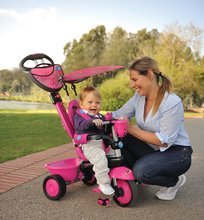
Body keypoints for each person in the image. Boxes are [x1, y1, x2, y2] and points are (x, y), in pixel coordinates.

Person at [112, 56, 193, 200]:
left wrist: (130, 128)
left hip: (178, 153)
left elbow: (163, 141)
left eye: (135, 79)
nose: (132, 84)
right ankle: (138, 175)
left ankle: (174, 181)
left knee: (142, 171)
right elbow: (117, 115)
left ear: (149, 74)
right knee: (118, 136)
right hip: (154, 150)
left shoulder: (171, 102)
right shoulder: (138, 98)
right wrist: (89, 117)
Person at [74, 86, 115, 195]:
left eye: (97, 102)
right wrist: (91, 122)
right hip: (88, 144)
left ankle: (115, 175)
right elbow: (81, 126)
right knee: (100, 158)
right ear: (81, 104)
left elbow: (104, 126)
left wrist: (109, 120)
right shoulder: (80, 116)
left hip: (101, 143)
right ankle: (103, 183)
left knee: (115, 153)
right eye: (90, 102)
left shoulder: (99, 116)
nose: (94, 105)